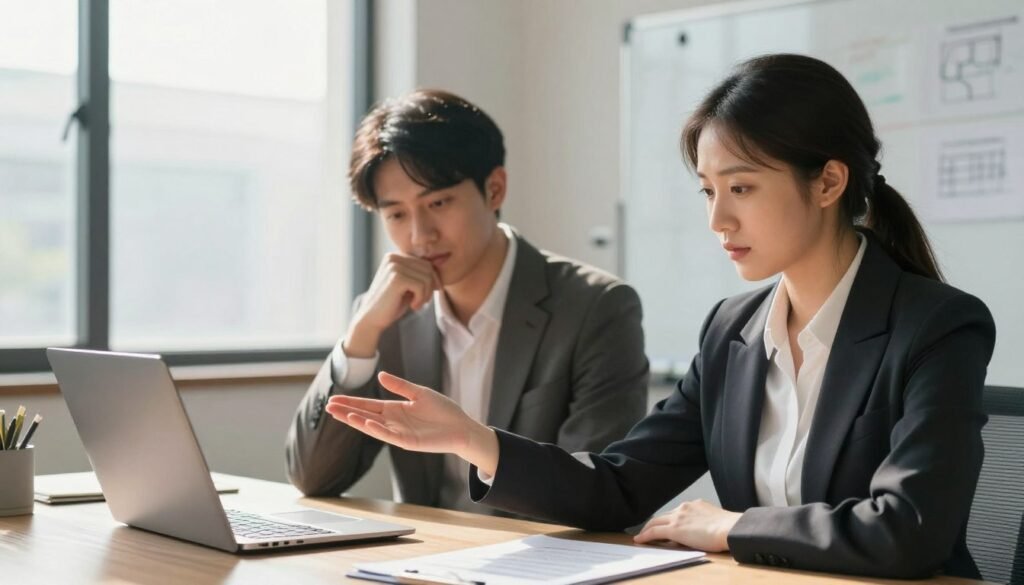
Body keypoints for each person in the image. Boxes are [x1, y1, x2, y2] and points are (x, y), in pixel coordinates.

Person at [323, 55, 996, 579]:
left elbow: (910, 528)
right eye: (708, 191)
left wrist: (732, 527)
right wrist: (475, 439)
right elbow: (618, 487)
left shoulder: (936, 326)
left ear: (827, 182)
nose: (717, 219)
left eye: (741, 188)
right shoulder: (733, 330)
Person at [285, 89, 649, 516]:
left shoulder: (597, 307)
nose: (420, 236)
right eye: (397, 214)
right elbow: (313, 477)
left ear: (494, 189)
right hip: (426, 562)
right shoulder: (384, 316)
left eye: (438, 203)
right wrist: (360, 337)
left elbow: (596, 495)